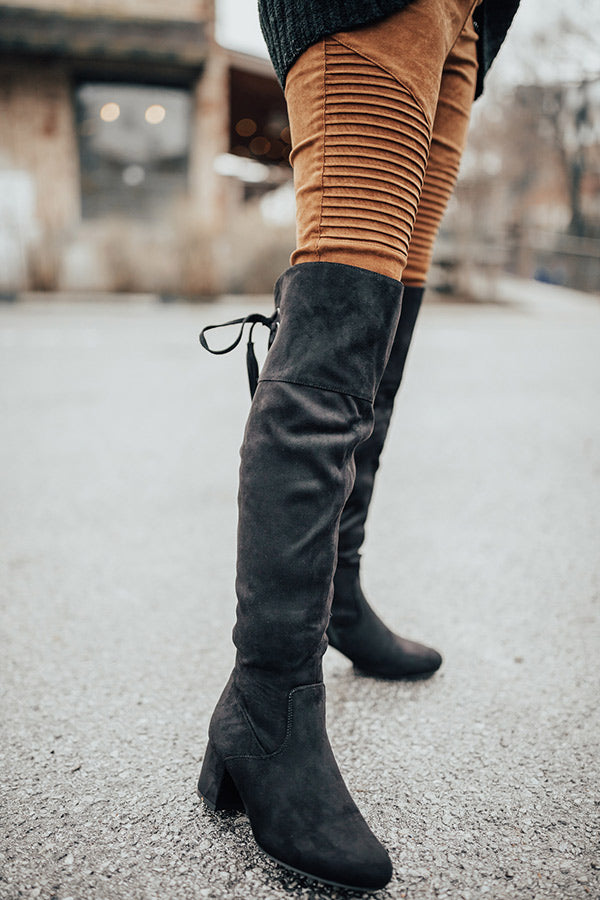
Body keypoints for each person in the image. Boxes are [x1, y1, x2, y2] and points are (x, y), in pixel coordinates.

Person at [198, 0, 520, 890]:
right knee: (345, 282)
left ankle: (336, 592)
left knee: (388, 301)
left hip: (464, 23)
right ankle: (269, 700)